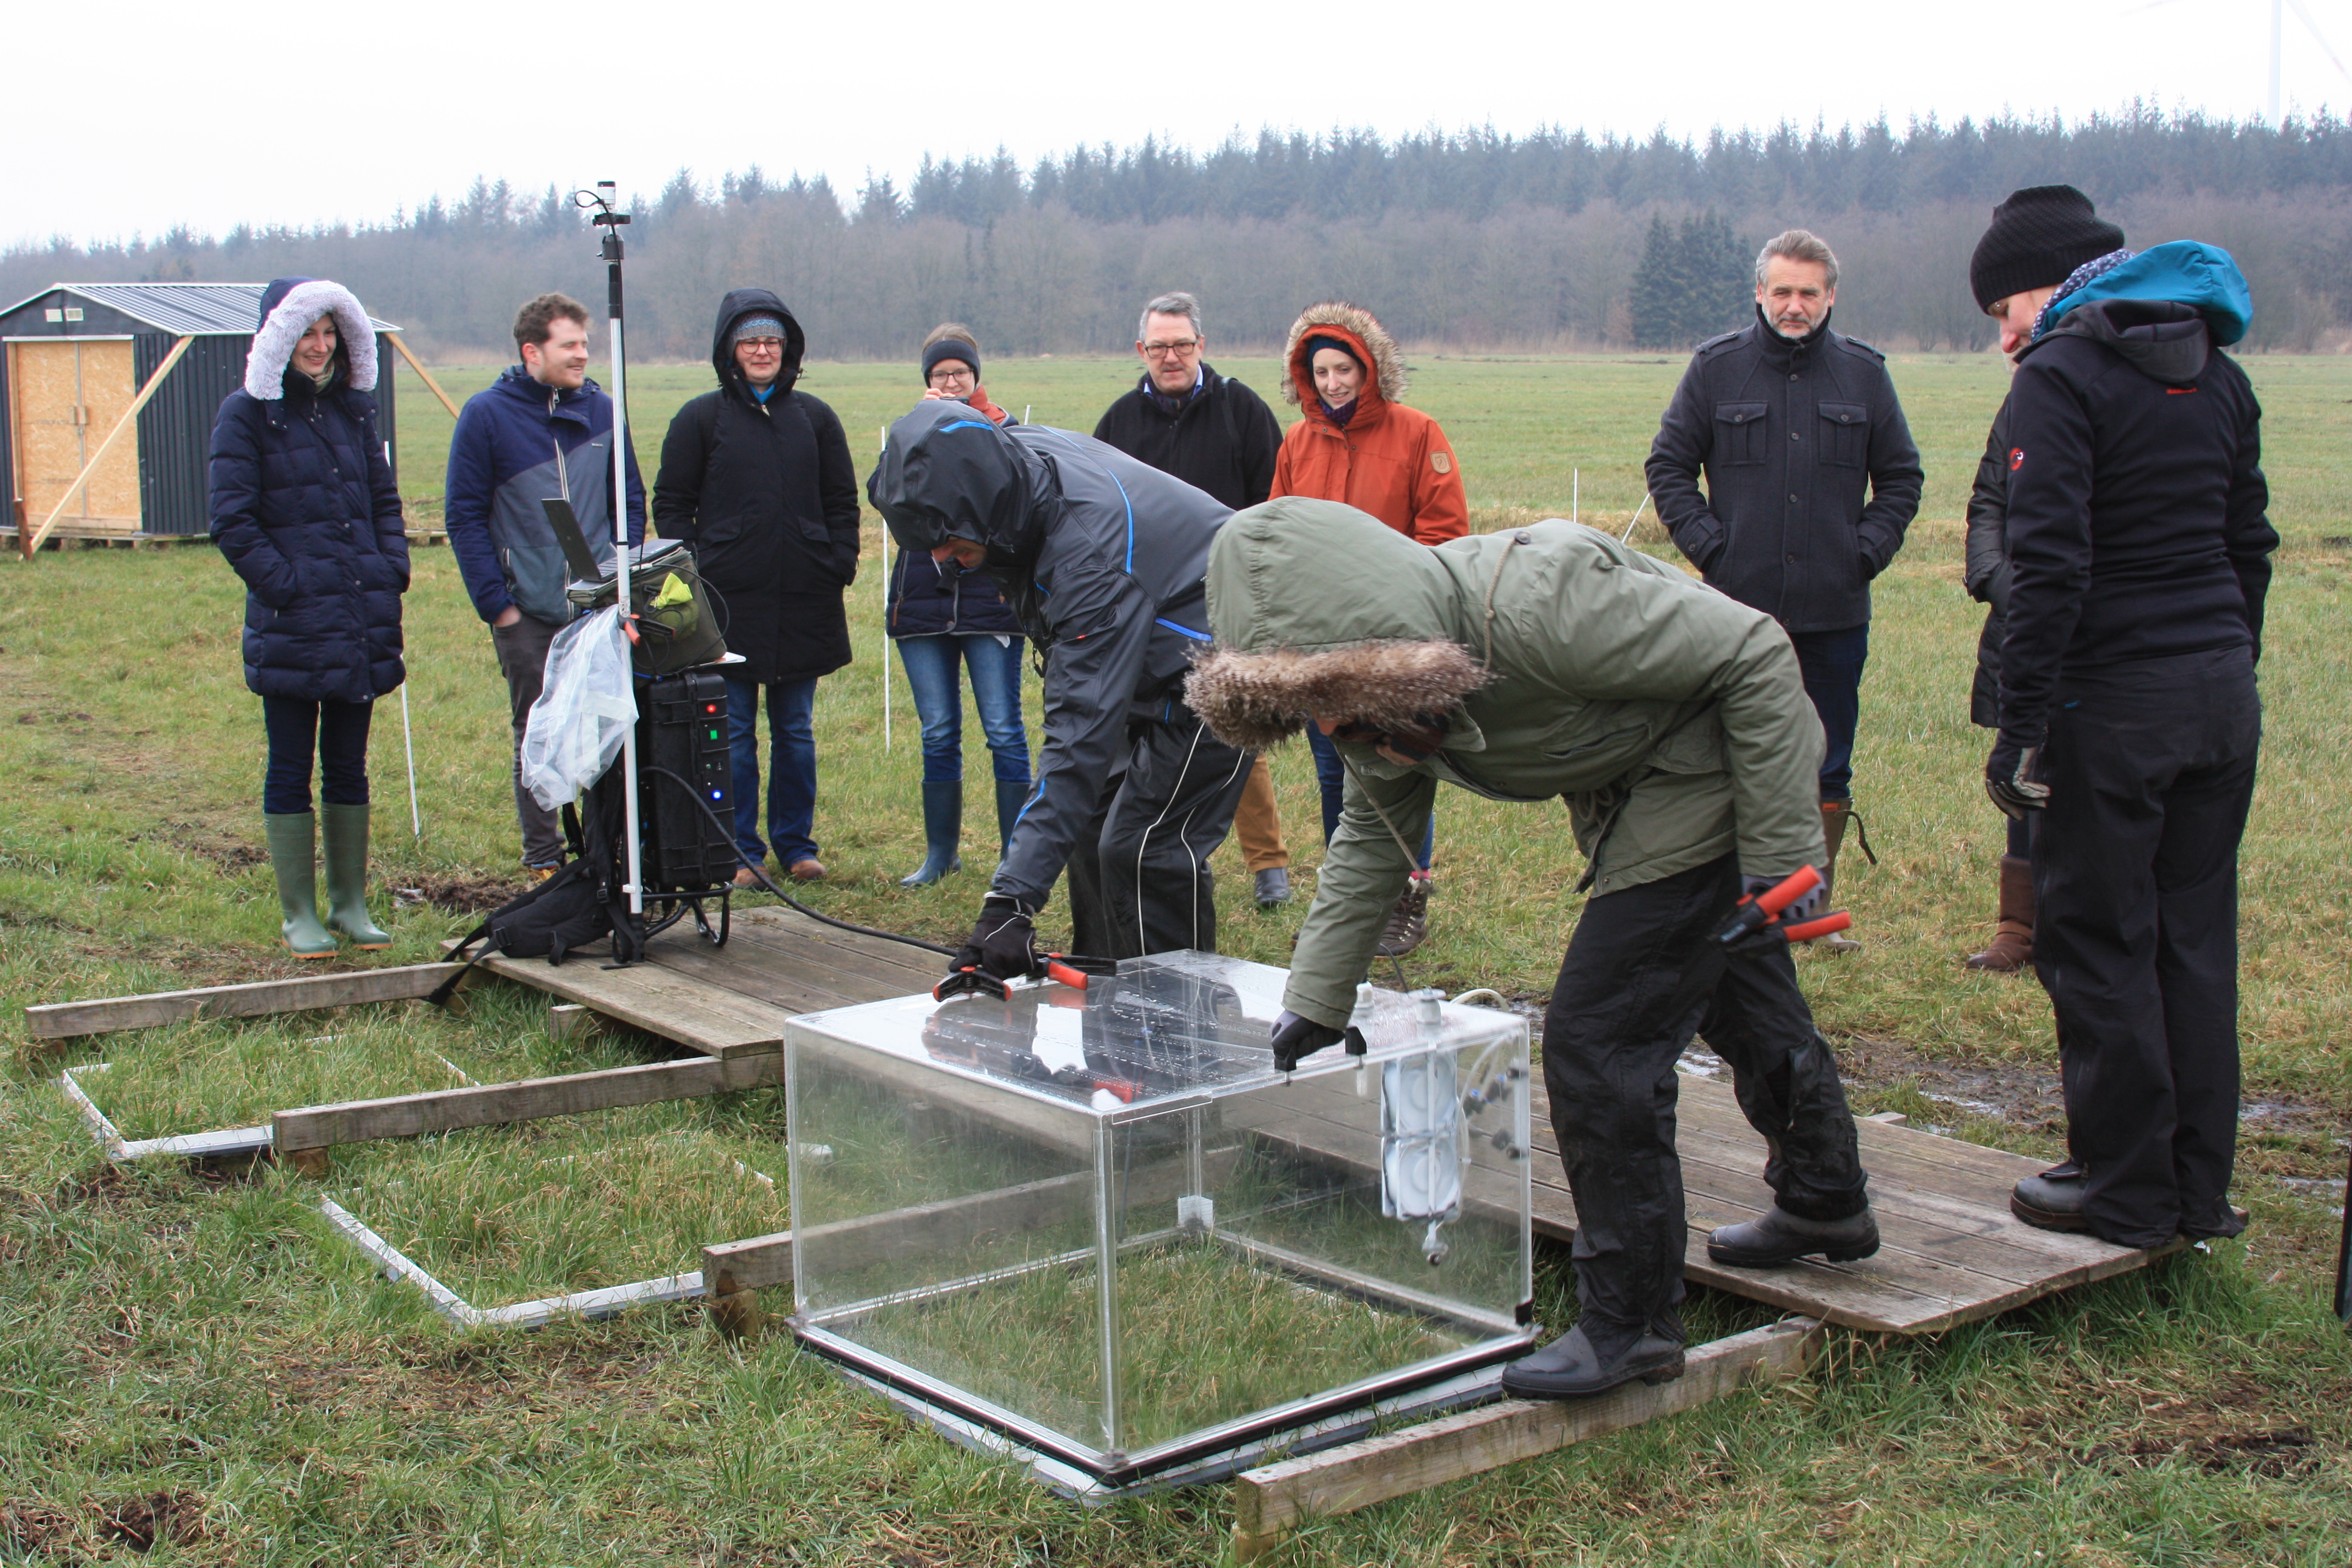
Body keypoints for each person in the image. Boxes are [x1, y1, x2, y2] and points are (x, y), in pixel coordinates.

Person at [1187, 499, 1875, 1400]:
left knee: (1599, 1039)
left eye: (1328, 694)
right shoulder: (1365, 699)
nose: (1328, 724)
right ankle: (1825, 1194)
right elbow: (1369, 836)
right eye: (1304, 704)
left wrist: (1787, 854)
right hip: (1629, 787)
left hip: (1711, 763)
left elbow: (1750, 650)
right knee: (1737, 994)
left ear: (1378, 639)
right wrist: (1315, 1000)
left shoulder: (1540, 603)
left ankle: (1629, 1322)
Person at [1969, 187, 2275, 1247]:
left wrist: (2022, 722)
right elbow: (2251, 546)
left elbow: (2048, 563)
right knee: (2191, 942)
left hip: (2111, 707)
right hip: (2217, 702)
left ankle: (2125, 1188)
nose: (2004, 332)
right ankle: (2196, 1186)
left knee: (2097, 941)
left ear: (2053, 285)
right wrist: (2229, 664)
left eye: (2005, 304)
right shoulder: (2218, 372)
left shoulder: (2063, 376)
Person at [868, 399, 1251, 973]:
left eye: (946, 537)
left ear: (983, 501)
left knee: (1143, 847)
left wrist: (1009, 903)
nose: (942, 559)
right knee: (1089, 831)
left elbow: (1078, 738)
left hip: (1223, 661)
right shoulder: (1012, 476)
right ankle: (1106, 1001)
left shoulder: (1089, 557)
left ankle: (1178, 1024)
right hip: (1143, 652)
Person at [1646, 231, 1923, 950]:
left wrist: (1864, 553)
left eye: (1808, 293)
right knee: (1731, 757)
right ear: (1760, 294)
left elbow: (1901, 479)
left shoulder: (1864, 376)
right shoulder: (1717, 370)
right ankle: (1734, 903)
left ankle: (1806, 915)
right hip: (1737, 615)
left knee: (1826, 762)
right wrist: (1714, 551)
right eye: (1782, 292)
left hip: (1835, 613)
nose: (1794, 306)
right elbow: (1670, 467)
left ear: (1830, 296)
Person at [208, 277, 408, 957]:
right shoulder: (245, 415)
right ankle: (300, 914)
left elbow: (385, 501)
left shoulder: (357, 413)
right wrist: (285, 587)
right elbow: (232, 521)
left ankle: (350, 905)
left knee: (349, 766)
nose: (318, 347)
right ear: (277, 338)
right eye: (305, 334)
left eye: (329, 333)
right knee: (291, 765)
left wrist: (391, 568)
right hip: (293, 623)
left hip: (359, 617)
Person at [1269, 301, 1468, 954]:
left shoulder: (1418, 434)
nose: (1333, 383)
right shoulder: (1297, 442)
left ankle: (1407, 894)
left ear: (1370, 368)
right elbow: (1277, 532)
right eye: (1321, 372)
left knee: (1398, 771)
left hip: (1393, 639)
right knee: (1335, 774)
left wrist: (1399, 604)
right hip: (1320, 643)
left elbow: (1444, 535)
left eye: (1344, 369)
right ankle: (1352, 901)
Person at [1092, 291, 1292, 908]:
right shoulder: (1119, 423)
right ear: (1141, 351)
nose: (1171, 356)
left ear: (1201, 345)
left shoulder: (1242, 411)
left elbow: (1276, 504)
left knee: (1232, 728)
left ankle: (1268, 864)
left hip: (1227, 600)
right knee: (1146, 733)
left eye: (1182, 344)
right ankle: (1140, 843)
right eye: (1159, 347)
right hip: (1144, 612)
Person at [654, 290, 859, 885]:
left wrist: (837, 561)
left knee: (795, 733)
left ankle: (796, 845)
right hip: (727, 604)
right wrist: (692, 574)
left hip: (805, 600)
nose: (763, 350)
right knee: (733, 734)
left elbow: (842, 501)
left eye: (772, 340)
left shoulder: (815, 418)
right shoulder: (700, 419)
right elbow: (672, 503)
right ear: (731, 352)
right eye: (750, 341)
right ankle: (741, 849)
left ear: (787, 348)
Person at [445, 293, 645, 879]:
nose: (583, 355)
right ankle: (544, 857)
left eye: (586, 344)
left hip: (597, 607)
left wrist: (623, 582)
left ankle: (603, 855)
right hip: (527, 610)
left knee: (605, 730)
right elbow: (463, 515)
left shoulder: (605, 410)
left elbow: (628, 499)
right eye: (570, 346)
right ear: (533, 351)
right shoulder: (486, 416)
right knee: (538, 731)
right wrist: (497, 606)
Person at [886, 323, 1031, 886]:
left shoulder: (1007, 432)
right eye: (940, 375)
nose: (950, 382)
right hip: (924, 602)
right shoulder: (907, 433)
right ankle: (940, 854)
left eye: (959, 373)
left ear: (976, 377)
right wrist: (916, 430)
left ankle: (1016, 857)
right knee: (938, 730)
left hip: (990, 603)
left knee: (1003, 728)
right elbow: (888, 498)